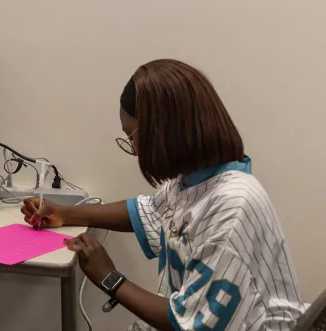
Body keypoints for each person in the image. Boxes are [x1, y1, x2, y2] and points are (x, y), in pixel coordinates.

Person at [22, 59, 305, 331]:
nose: (134, 151)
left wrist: (110, 278)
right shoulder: (196, 180)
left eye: (131, 137)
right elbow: (148, 212)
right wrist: (65, 213)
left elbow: (190, 324)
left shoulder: (232, 207)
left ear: (160, 132)